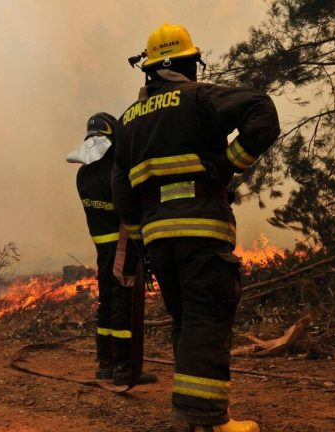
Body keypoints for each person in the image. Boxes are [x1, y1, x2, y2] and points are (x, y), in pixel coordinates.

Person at [112, 24, 280, 431]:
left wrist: (137, 248)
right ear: (189, 63)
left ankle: (192, 415)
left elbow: (122, 190)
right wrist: (228, 165)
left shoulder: (128, 121)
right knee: (207, 315)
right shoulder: (199, 97)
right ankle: (208, 421)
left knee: (186, 319)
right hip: (202, 228)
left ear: (149, 70)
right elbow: (263, 115)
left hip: (157, 238)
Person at [68, 113, 156, 386]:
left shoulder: (83, 175)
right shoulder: (118, 172)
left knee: (106, 303)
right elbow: (131, 205)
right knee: (124, 305)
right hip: (123, 246)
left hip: (102, 248)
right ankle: (125, 368)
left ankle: (104, 363)